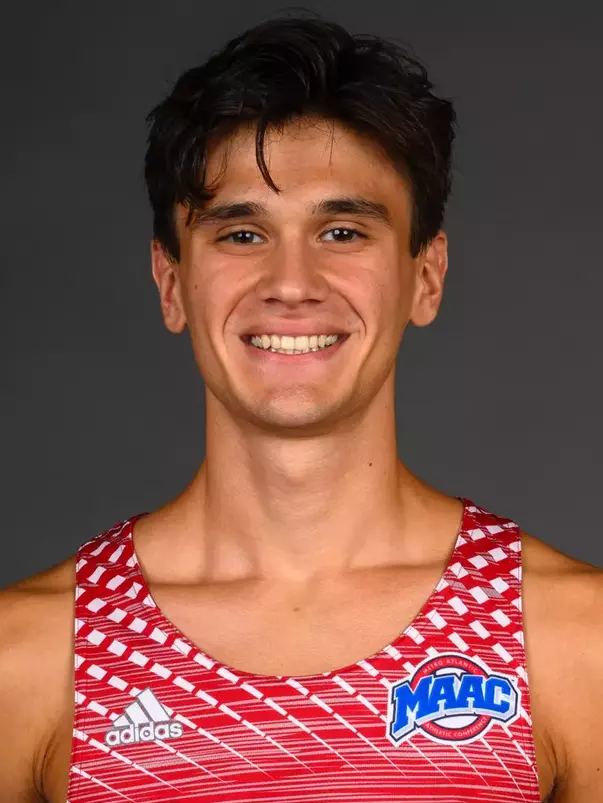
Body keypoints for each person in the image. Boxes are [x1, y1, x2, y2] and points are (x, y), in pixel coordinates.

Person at [1, 15, 601, 803]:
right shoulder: (33, 655)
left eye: (342, 230)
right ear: (171, 282)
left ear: (425, 275)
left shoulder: (568, 641)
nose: (291, 282)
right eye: (242, 232)